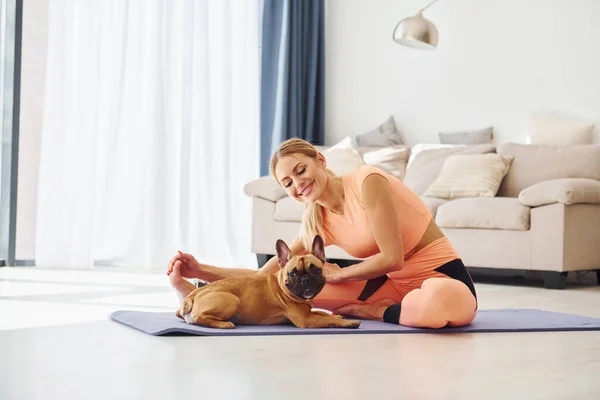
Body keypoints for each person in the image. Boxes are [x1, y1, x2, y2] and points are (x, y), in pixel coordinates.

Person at [167, 138, 477, 328]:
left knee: (435, 304)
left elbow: (393, 258)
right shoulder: (316, 219)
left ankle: (376, 313)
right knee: (286, 297)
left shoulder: (368, 182)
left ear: (321, 161)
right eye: (287, 182)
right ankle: (193, 296)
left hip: (441, 278)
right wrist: (201, 270)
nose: (297, 183)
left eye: (300, 170)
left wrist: (340, 275)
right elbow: (263, 279)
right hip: (391, 287)